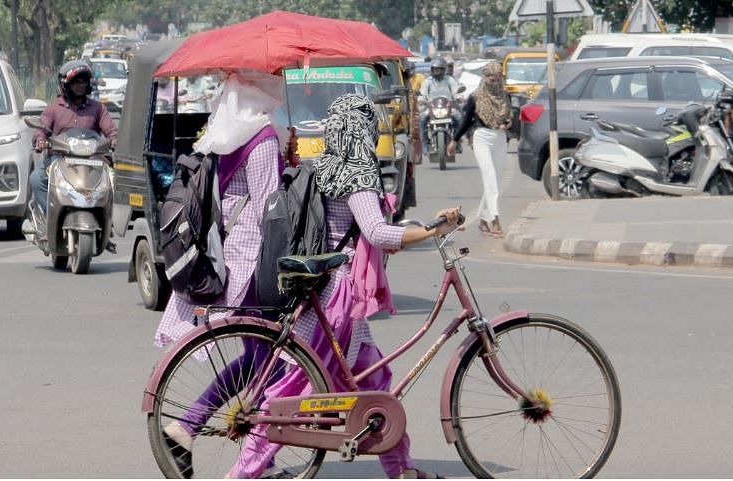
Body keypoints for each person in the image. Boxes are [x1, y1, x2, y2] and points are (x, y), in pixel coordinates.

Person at [228, 93, 461, 479]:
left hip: (333, 296)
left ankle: (402, 470)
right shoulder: (358, 173)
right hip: (338, 300)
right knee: (293, 393)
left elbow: (367, 227)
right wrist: (433, 232)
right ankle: (242, 474)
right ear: (363, 130)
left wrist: (424, 227)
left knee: (377, 385)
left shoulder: (328, 166)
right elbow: (377, 231)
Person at [156, 71, 290, 478]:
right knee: (273, 366)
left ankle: (195, 428)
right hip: (252, 260)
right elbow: (271, 207)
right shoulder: (263, 136)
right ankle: (225, 443)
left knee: (258, 361)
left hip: (225, 255)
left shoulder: (223, 132)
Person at [30, 60, 117, 214]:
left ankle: (104, 222)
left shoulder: (98, 108)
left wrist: (115, 140)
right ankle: (52, 217)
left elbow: (111, 131)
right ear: (65, 84)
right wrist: (40, 140)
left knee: (114, 180)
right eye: (75, 82)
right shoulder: (53, 107)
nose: (80, 86)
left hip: (92, 160)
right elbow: (41, 129)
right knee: (36, 179)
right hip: (60, 159)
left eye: (83, 82)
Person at [447, 62, 512, 237]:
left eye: (498, 79)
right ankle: (495, 220)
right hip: (481, 137)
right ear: (485, 78)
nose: (495, 82)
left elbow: (510, 117)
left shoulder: (505, 96)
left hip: (499, 137)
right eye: (492, 79)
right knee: (490, 177)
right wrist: (454, 140)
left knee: (495, 181)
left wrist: (508, 123)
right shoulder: (475, 97)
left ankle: (482, 219)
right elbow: (466, 120)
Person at [419, 56, 463, 155]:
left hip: (448, 107)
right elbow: (423, 94)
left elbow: (456, 91)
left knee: (459, 118)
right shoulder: (428, 81)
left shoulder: (450, 80)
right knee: (422, 119)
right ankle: (426, 144)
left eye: (440, 69)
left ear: (444, 70)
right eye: (435, 69)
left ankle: (458, 141)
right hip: (432, 108)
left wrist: (459, 97)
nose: (437, 71)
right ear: (432, 70)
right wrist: (421, 100)